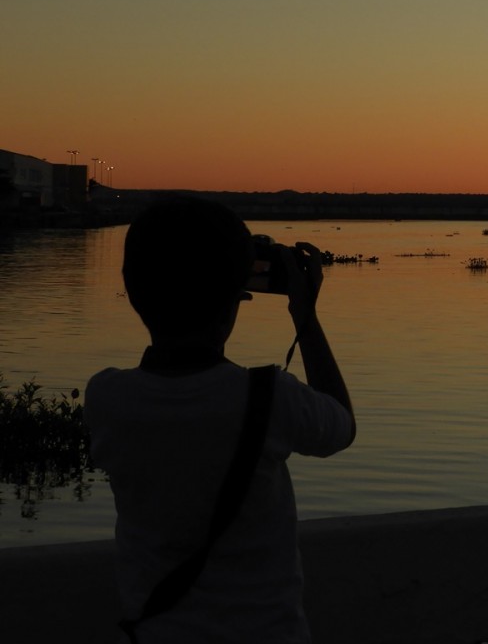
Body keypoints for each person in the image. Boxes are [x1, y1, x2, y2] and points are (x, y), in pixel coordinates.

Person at [85, 196, 356, 643]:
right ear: (236, 298)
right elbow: (341, 426)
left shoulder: (107, 396)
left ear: (133, 292)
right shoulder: (271, 398)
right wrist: (304, 313)